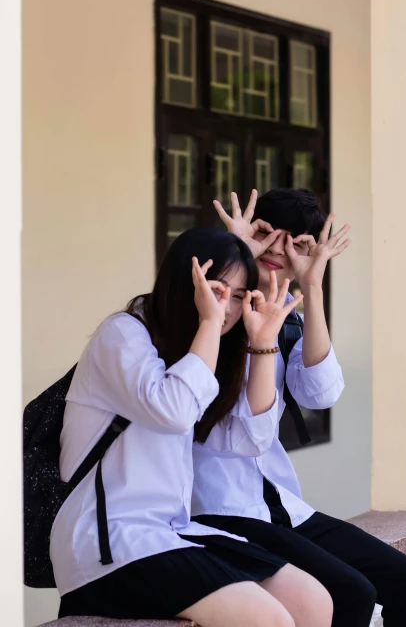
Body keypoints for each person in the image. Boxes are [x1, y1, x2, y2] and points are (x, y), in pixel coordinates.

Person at [51, 227, 333, 627]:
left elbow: (246, 439)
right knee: (266, 619)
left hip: (172, 530)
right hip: (109, 540)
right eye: (218, 290)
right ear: (188, 281)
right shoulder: (123, 333)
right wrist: (208, 324)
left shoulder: (196, 348)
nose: (229, 308)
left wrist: (264, 343)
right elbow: (176, 411)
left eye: (239, 296)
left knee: (312, 601)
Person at [192, 190, 406, 627]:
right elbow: (241, 432)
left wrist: (311, 284)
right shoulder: (210, 313)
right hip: (215, 508)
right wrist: (237, 259)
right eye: (268, 234)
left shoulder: (287, 321)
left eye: (298, 244)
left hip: (280, 506)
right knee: (350, 595)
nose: (279, 250)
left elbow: (321, 394)